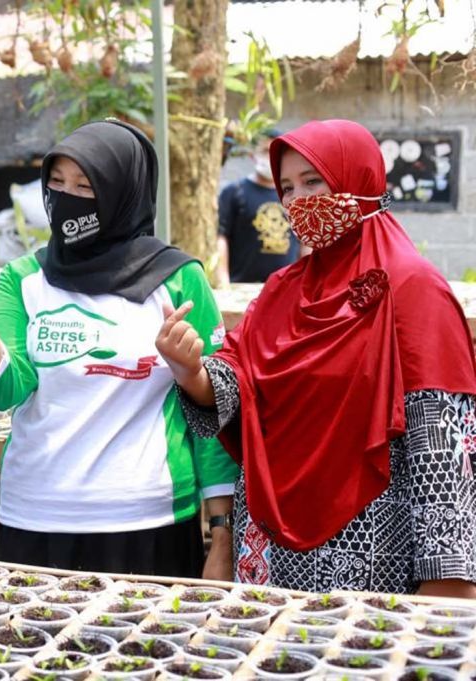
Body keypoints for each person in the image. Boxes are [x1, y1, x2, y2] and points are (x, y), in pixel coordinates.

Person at [158, 119, 476, 597]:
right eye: (287, 188)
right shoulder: (284, 290)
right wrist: (191, 371)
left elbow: (441, 445)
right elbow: (237, 376)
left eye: (313, 182)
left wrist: (447, 581)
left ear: (358, 179)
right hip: (269, 546)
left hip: (370, 553)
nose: (297, 201)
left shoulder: (413, 288)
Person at [0, 120, 238, 577]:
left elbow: (213, 417)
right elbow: (4, 390)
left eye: (85, 186)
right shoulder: (24, 278)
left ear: (123, 193)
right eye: (56, 183)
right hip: (36, 514)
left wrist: (222, 533)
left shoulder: (177, 279)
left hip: (149, 518)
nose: (66, 198)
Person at [216, 131, 304, 285]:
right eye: (265, 151)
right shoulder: (234, 192)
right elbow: (221, 237)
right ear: (252, 155)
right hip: (242, 287)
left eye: (276, 153)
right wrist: (223, 279)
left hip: (286, 287)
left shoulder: (294, 195)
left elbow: (305, 242)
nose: (270, 157)